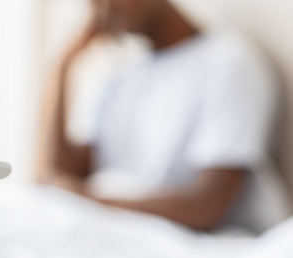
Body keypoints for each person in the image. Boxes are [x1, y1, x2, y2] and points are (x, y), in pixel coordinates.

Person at [42, 0, 290, 233]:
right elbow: (60, 174)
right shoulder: (122, 78)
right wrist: (63, 66)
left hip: (184, 245)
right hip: (110, 231)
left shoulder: (228, 64)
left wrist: (88, 202)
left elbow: (207, 206)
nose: (101, 7)